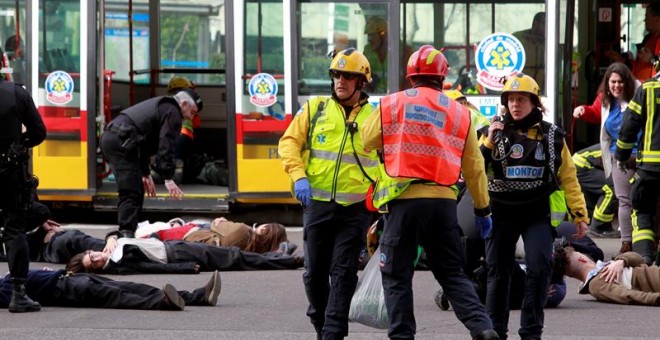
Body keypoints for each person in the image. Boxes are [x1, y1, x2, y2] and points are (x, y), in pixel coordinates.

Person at [361, 45, 498, 340]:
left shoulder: (391, 103)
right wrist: (483, 210)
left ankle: (402, 337)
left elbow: (366, 140)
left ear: (411, 77)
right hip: (443, 203)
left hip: (405, 204)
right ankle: (483, 328)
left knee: (397, 275)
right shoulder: (460, 113)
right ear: (442, 79)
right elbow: (474, 167)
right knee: (451, 273)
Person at [278, 47, 379, 340]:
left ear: (362, 82)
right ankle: (321, 323)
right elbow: (288, 144)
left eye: (348, 76)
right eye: (336, 75)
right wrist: (298, 176)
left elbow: (387, 160)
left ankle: (333, 333)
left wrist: (383, 198)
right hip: (317, 205)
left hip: (355, 209)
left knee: (344, 271)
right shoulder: (315, 108)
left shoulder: (375, 117)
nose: (341, 81)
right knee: (313, 274)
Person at [480, 73, 589, 339]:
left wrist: (579, 214)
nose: (515, 105)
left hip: (535, 212)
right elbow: (473, 171)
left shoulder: (553, 136)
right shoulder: (489, 133)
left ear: (534, 103)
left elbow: (568, 177)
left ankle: (531, 331)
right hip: (501, 212)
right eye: (510, 100)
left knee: (541, 267)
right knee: (498, 270)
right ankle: (495, 331)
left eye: (521, 99)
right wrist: (487, 143)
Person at [100, 88, 203, 239]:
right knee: (131, 191)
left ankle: (130, 230)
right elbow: (166, 144)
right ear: (184, 104)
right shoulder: (173, 112)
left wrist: (145, 173)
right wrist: (168, 178)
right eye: (192, 112)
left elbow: (140, 142)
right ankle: (125, 235)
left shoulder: (163, 106)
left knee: (135, 188)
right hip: (120, 142)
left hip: (115, 139)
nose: (190, 117)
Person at [573, 62, 638, 253]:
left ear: (627, 82)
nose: (617, 86)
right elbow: (596, 112)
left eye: (620, 82)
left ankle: (646, 244)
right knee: (624, 200)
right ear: (607, 83)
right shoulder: (605, 99)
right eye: (613, 82)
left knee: (641, 201)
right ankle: (626, 245)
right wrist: (583, 110)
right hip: (618, 155)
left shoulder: (639, 95)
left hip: (640, 154)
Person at [0, 76, 47, 313]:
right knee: (14, 229)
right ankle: (18, 294)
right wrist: (19, 142)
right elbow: (39, 131)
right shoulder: (16, 93)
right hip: (9, 173)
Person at [65, 236, 303, 274]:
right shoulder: (119, 264)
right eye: (94, 264)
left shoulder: (109, 249)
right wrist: (184, 267)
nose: (97, 258)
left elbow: (117, 233)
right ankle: (287, 261)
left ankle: (280, 255)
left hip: (174, 245)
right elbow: (152, 269)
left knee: (234, 255)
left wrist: (110, 238)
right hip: (176, 255)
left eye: (92, 255)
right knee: (234, 258)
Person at [0, 269, 221, 311]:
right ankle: (162, 303)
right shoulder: (3, 289)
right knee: (118, 296)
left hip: (70, 277)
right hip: (64, 288)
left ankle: (198, 297)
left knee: (132, 286)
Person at [615, 69, 660, 265]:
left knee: (642, 213)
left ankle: (644, 261)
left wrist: (622, 156)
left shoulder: (647, 89)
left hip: (649, 169)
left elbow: (629, 125)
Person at [553, 245, 660, 306]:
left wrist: (622, 261)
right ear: (582, 259)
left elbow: (639, 259)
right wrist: (655, 298)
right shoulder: (595, 284)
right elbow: (627, 295)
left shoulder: (606, 266)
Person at [571, 144, 620, 238]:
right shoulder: (620, 146)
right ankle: (600, 227)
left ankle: (597, 223)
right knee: (612, 188)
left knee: (607, 184)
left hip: (583, 163)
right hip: (582, 165)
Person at [605, 3, 660, 82]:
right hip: (640, 89)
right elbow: (636, 66)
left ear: (657, 19)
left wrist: (651, 59)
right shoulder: (648, 39)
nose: (644, 20)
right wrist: (622, 60)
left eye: (646, 17)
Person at [362, 16, 413, 93]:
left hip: (397, 98)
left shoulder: (404, 50)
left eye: (372, 35)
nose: (369, 39)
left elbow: (410, 80)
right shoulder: (367, 50)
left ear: (382, 34)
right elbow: (362, 77)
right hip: (374, 99)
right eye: (368, 36)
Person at [513, 12, 546, 92]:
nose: (546, 27)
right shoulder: (518, 38)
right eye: (543, 23)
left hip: (542, 91)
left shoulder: (551, 42)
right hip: (519, 88)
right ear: (535, 23)